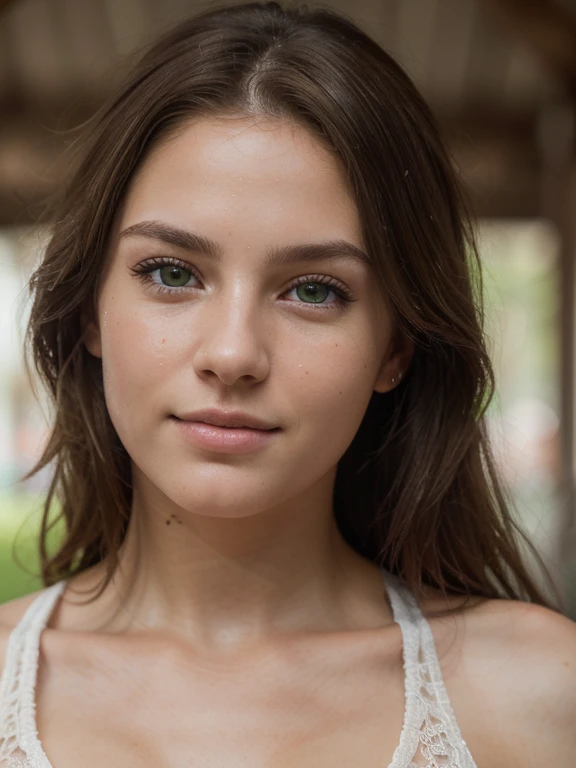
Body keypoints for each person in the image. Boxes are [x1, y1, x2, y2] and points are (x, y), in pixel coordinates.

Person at [0, 2, 575, 766]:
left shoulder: (540, 693)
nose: (233, 352)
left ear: (395, 348)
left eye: (313, 290)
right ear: (91, 312)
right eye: (171, 273)